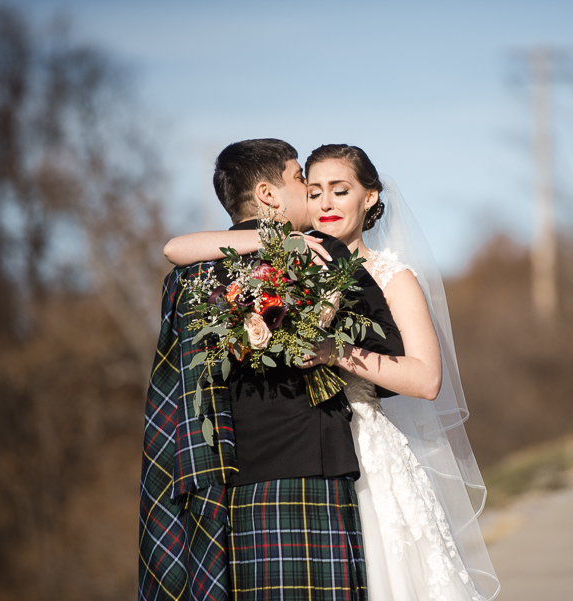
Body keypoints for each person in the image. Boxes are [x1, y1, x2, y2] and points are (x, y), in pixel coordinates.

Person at [164, 144, 501, 601]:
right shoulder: (295, 255)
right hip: (320, 451)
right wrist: (278, 243)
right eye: (313, 188)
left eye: (339, 191)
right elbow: (176, 248)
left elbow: (426, 379)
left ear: (369, 198)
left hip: (366, 449)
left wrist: (334, 350)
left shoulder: (389, 275)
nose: (323, 203)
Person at [139, 139, 406, 601]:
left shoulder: (190, 276)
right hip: (310, 476)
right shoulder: (319, 254)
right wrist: (330, 351)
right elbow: (389, 354)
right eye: (300, 178)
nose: (311, 192)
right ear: (268, 195)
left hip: (217, 488)